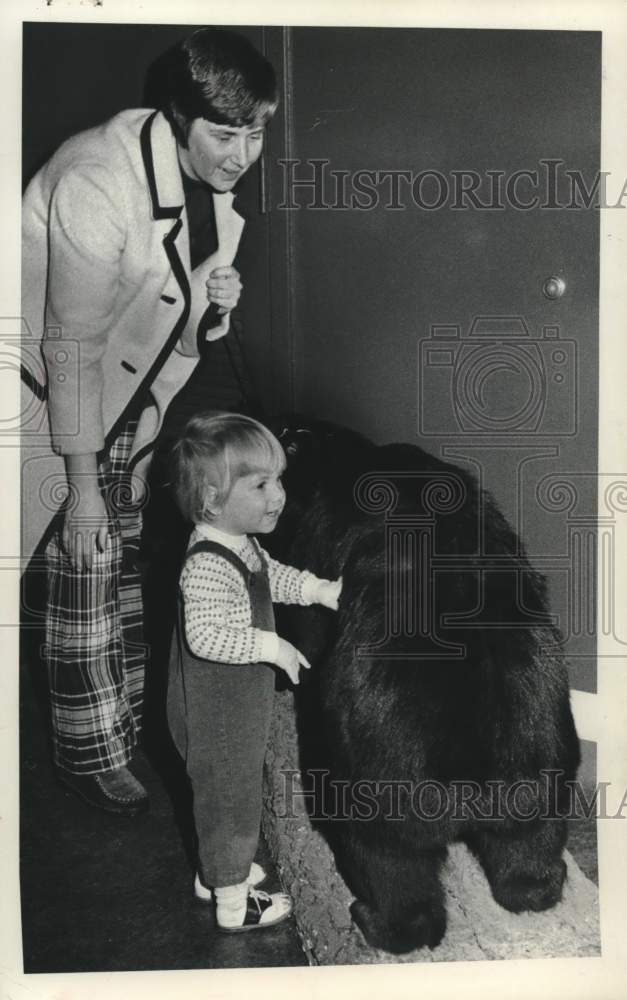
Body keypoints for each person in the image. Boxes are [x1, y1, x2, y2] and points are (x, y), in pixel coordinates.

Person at [20, 28, 278, 814]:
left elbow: (166, 319)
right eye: (225, 134)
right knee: (84, 559)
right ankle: (89, 751)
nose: (242, 154)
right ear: (177, 116)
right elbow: (70, 347)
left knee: (118, 555)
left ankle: (124, 713)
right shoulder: (99, 180)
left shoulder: (209, 185)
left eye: (257, 130)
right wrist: (81, 483)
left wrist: (213, 303)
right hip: (42, 388)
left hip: (123, 388)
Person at [166, 412, 342, 931]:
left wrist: (316, 590)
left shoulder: (237, 542)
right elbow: (205, 635)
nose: (278, 494)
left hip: (235, 703)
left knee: (222, 799)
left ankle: (215, 873)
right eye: (261, 483)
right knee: (232, 803)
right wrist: (273, 646)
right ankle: (232, 901)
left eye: (278, 479)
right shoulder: (208, 563)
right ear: (211, 500)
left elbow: (272, 578)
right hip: (217, 711)